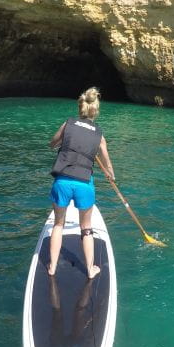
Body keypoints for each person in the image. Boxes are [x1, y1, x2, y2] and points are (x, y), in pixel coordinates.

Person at [47, 87, 115, 279]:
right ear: (96, 110)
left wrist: (59, 144)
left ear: (80, 108)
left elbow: (52, 143)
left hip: (62, 181)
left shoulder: (68, 124)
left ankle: (52, 266)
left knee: (58, 225)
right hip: (84, 184)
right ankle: (91, 270)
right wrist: (111, 174)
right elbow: (107, 161)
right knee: (86, 229)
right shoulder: (99, 135)